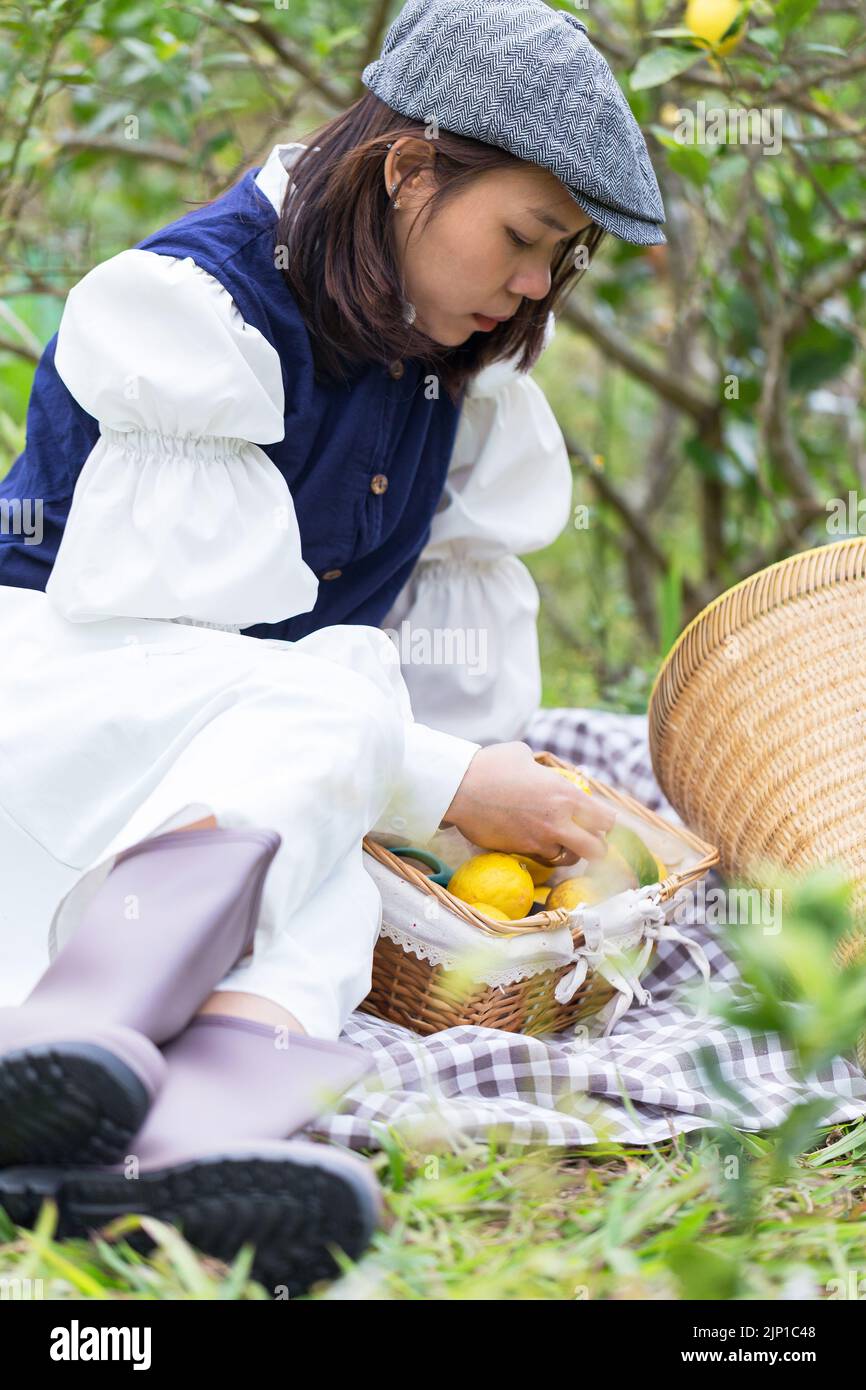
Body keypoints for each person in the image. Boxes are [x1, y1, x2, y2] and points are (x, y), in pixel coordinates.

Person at [0, 0, 666, 1295]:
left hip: (228, 785)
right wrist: (441, 778)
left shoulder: (443, 379)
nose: (535, 286)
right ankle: (70, 1037)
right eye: (523, 239)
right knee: (331, 717)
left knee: (344, 871)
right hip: (59, 721)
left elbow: (405, 711)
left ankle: (150, 1158)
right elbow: (185, 652)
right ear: (408, 167)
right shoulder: (196, 312)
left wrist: (464, 795)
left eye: (560, 259)